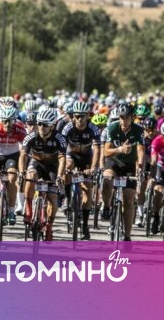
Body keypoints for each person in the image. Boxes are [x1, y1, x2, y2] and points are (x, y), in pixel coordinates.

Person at [19, 108, 67, 241]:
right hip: (37, 163)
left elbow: (62, 159)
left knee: (52, 198)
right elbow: (23, 155)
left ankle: (50, 225)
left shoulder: (59, 138)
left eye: (45, 125)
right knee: (30, 176)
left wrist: (59, 176)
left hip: (52, 166)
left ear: (52, 125)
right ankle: (28, 207)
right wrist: (22, 171)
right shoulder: (31, 136)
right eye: (39, 123)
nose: (41, 127)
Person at [102, 103, 145, 242]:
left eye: (126, 118)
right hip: (114, 161)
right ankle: (107, 207)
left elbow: (141, 150)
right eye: (121, 117)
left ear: (132, 117)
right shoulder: (113, 127)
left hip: (129, 166)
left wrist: (139, 167)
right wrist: (120, 149)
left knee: (128, 200)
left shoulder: (138, 130)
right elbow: (106, 152)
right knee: (107, 180)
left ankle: (127, 236)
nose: (123, 121)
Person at [61, 101, 100, 240]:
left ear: (87, 116)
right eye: (77, 116)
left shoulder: (93, 128)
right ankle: (67, 197)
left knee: (87, 188)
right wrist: (62, 167)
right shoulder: (68, 128)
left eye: (83, 116)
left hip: (86, 158)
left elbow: (96, 149)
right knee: (67, 167)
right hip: (71, 155)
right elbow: (61, 149)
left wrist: (93, 167)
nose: (80, 119)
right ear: (73, 117)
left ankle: (84, 224)